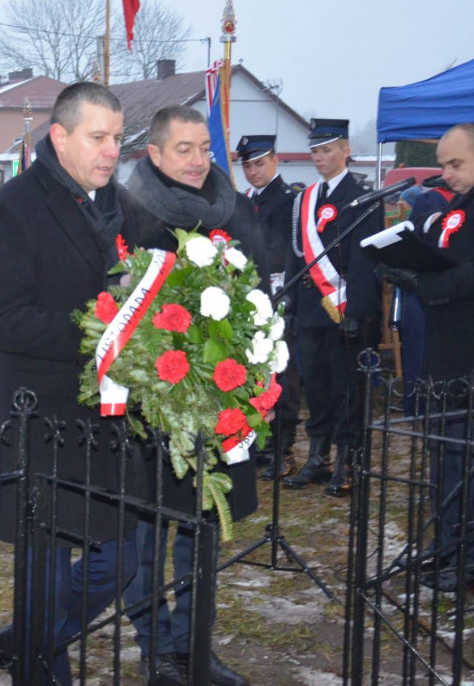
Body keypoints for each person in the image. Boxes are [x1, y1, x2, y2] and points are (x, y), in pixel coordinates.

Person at [0, 82, 139, 686]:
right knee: (44, 573)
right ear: (61, 137)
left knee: (119, 560)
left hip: (105, 426)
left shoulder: (118, 205)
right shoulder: (11, 209)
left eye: (118, 138)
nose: (111, 150)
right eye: (99, 137)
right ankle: (39, 665)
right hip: (37, 424)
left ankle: (25, 639)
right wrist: (102, 331)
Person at [121, 107, 265, 686]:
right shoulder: (126, 211)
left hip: (222, 397)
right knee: (146, 531)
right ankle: (155, 646)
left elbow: (260, 285)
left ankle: (194, 647)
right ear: (154, 154)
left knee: (204, 527)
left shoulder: (235, 207)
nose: (199, 160)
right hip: (152, 400)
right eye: (184, 149)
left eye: (204, 148)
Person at [379, 123, 474, 593]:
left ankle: (469, 557)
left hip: (469, 356)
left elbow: (467, 277)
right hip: (443, 352)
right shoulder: (455, 207)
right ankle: (447, 542)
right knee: (443, 456)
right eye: (442, 163)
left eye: (456, 163)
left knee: (465, 458)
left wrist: (422, 283)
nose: (446, 173)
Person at [284, 119, 382, 496]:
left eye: (326, 150)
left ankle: (348, 460)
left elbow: (363, 259)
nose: (319, 157)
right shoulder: (306, 199)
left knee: (347, 388)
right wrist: (291, 303)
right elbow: (298, 257)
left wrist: (357, 310)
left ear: (345, 151)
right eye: (314, 151)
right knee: (319, 388)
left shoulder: (362, 196)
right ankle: (319, 457)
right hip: (311, 306)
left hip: (344, 307)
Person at [237, 134, 302, 479]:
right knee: (257, 369)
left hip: (279, 294)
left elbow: (281, 251)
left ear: (275, 161)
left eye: (259, 163)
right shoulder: (247, 199)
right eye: (247, 165)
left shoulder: (288, 200)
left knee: (283, 372)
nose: (253, 172)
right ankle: (262, 442)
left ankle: (284, 448)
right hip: (252, 295)